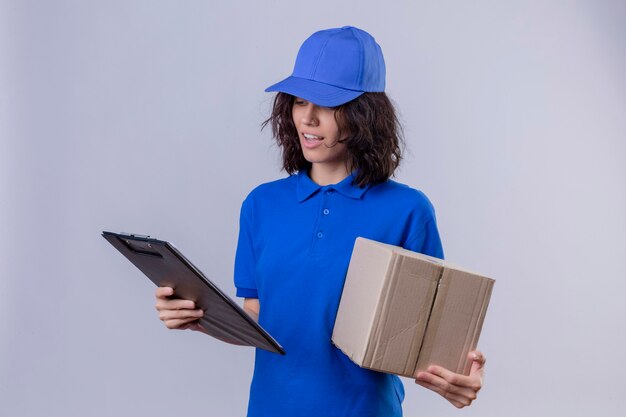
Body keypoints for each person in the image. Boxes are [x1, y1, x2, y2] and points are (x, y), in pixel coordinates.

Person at [154, 26, 485, 416]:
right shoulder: (261, 205)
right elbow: (260, 314)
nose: (307, 119)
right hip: (271, 407)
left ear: (366, 115)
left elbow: (425, 340)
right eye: (298, 101)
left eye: (327, 105)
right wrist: (201, 318)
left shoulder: (407, 211)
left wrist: (461, 378)